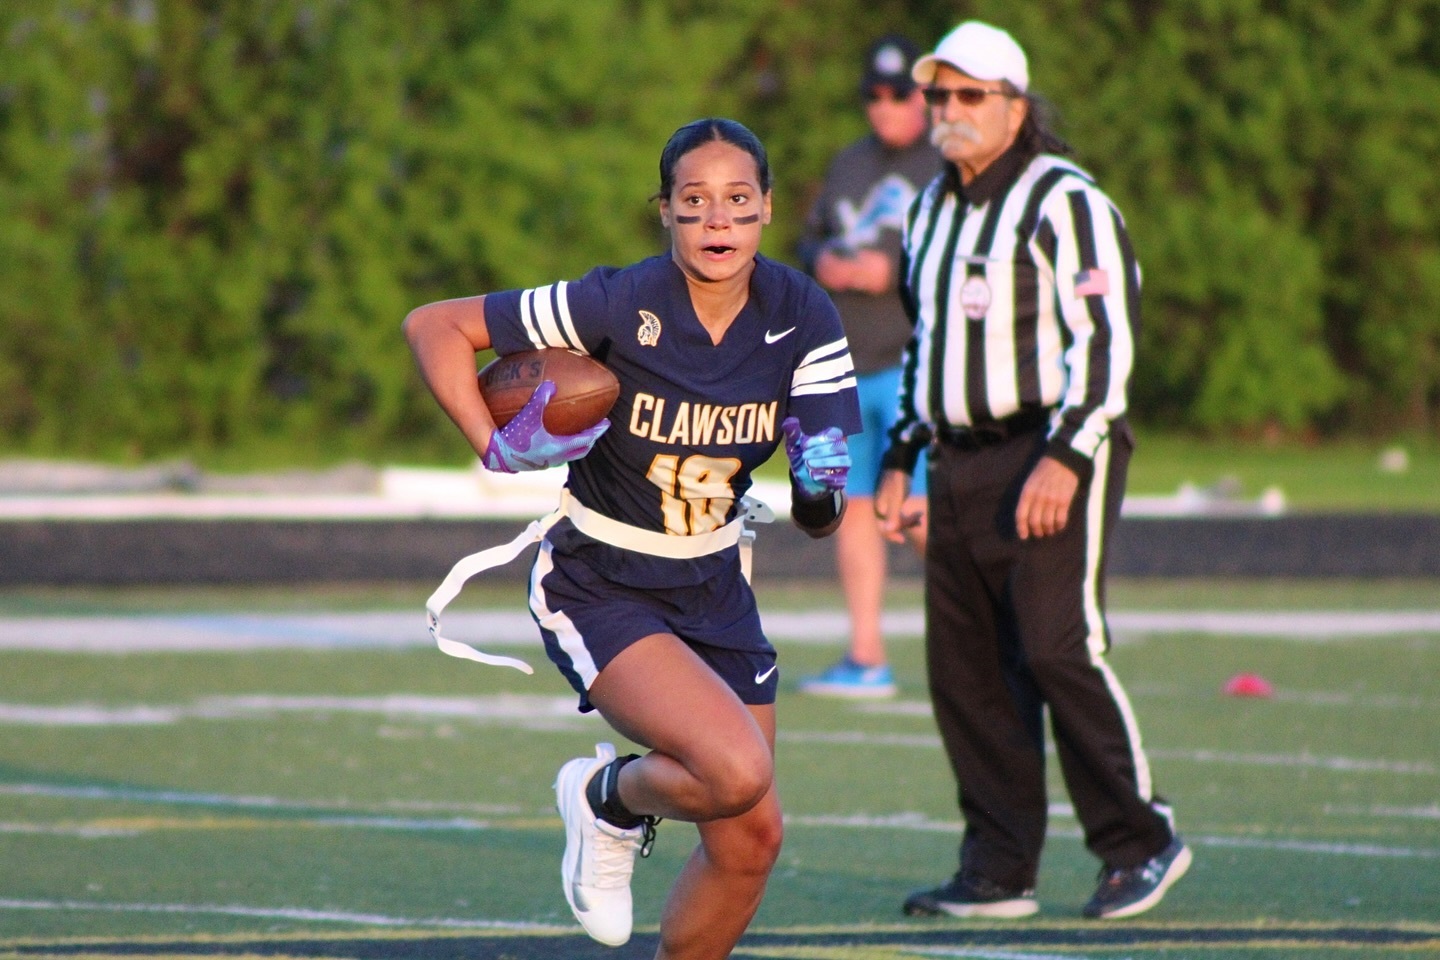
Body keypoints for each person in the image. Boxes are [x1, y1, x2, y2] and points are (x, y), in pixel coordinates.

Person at [403, 118, 860, 959]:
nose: (717, 221)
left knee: (750, 840)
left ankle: (618, 816)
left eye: (736, 201)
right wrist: (490, 442)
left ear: (766, 210)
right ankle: (608, 799)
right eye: (694, 202)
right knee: (737, 772)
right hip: (603, 579)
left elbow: (822, 513)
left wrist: (820, 484)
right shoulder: (618, 301)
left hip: (715, 582)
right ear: (665, 212)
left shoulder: (803, 313)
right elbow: (434, 325)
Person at [874, 21, 1191, 920]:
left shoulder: (1065, 200)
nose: (951, 111)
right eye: (939, 95)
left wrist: (1063, 456)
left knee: (1057, 645)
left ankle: (1141, 841)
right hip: (958, 459)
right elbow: (924, 346)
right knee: (966, 669)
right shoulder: (930, 208)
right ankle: (999, 868)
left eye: (971, 95)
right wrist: (901, 452)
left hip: (1050, 447)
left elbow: (1106, 342)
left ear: (1017, 104)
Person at [794, 34, 940, 699]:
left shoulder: (946, 160)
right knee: (851, 508)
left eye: (898, 94)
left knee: (916, 511)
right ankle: (865, 655)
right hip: (846, 366)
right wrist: (820, 257)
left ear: (923, 95)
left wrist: (897, 269)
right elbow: (813, 230)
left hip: (913, 367)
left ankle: (991, 635)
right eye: (873, 95)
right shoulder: (849, 162)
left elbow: (972, 258)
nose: (885, 107)